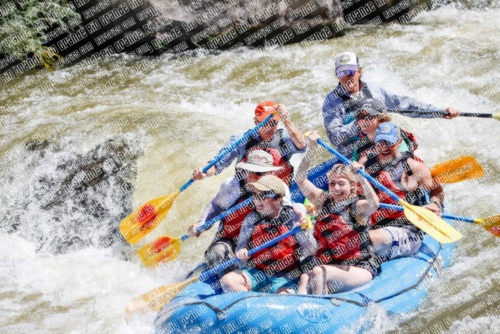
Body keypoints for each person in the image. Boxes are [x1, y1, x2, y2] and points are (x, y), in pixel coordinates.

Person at [323, 51, 460, 158]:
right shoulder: (332, 101)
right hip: (353, 155)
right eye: (342, 72)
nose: (347, 76)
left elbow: (406, 105)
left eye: (350, 71)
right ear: (337, 75)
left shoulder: (375, 90)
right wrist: (360, 124)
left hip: (384, 145)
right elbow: (334, 137)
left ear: (359, 71)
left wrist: (439, 112)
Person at [294, 131, 380, 295]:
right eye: (332, 184)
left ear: (352, 186)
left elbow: (373, 204)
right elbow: (300, 179)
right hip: (330, 265)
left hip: (358, 268)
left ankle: (318, 310)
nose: (336, 188)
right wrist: (311, 148)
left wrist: (361, 177)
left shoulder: (357, 206)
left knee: (319, 272)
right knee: (305, 278)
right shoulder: (322, 201)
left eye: (341, 184)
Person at [187, 149, 292, 278]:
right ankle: (232, 282)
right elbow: (215, 206)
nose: (253, 177)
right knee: (217, 252)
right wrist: (201, 225)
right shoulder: (231, 186)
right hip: (231, 242)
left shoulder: (280, 189)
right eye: (249, 171)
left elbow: (289, 214)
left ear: (270, 173)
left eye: (259, 173)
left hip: (262, 243)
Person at [354, 122, 444, 260]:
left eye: (389, 142)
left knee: (369, 239)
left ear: (399, 141)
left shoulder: (414, 167)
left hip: (407, 229)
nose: (384, 147)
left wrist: (435, 204)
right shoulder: (365, 162)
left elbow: (436, 190)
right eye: (380, 142)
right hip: (373, 224)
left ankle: (369, 261)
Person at [220, 175, 315, 294]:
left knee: (283, 296)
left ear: (278, 199)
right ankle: (252, 306)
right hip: (256, 274)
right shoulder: (251, 220)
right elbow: (240, 251)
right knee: (227, 281)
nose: (257, 201)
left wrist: (302, 229)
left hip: (285, 278)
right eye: (255, 195)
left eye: (263, 196)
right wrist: (241, 255)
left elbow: (311, 251)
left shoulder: (294, 217)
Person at [193, 101, 307, 185]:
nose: (269, 127)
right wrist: (203, 173)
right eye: (264, 123)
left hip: (276, 195)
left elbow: (301, 144)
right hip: (247, 193)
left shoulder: (284, 138)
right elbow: (217, 164)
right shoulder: (241, 140)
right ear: (255, 121)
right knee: (227, 184)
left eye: (273, 123)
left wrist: (285, 119)